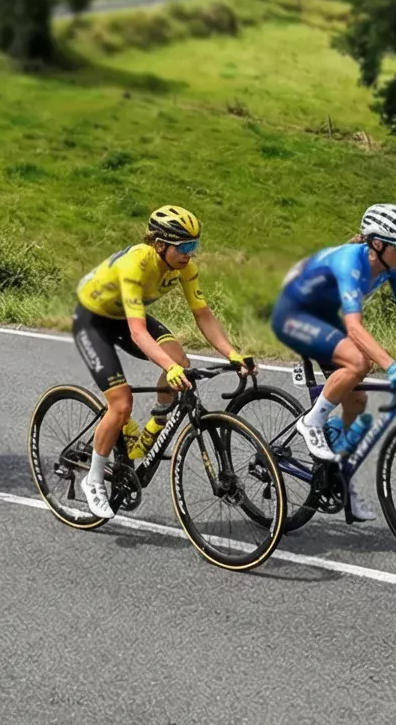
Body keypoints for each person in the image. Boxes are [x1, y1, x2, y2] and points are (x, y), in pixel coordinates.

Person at [69, 205, 256, 519]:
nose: (189, 254)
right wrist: (168, 368)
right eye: (183, 247)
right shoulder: (136, 265)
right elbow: (138, 332)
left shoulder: (184, 267)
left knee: (181, 360)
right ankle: (94, 478)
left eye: (194, 246)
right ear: (159, 244)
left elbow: (203, 314)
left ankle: (149, 432)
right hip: (93, 321)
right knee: (121, 402)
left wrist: (232, 353)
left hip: (125, 317)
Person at [271, 204, 396, 498]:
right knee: (358, 361)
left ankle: (332, 463)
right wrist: (392, 365)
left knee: (357, 401)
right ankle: (311, 422)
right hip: (294, 314)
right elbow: (354, 329)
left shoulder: (394, 268)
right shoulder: (350, 262)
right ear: (378, 243)